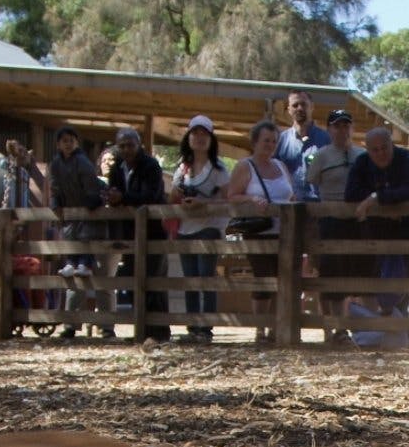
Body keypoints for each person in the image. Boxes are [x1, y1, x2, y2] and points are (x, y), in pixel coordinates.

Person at [348, 123, 409, 347]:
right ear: (367, 149)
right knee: (375, 280)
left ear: (392, 145)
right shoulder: (362, 163)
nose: (381, 153)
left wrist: (377, 199)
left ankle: (403, 329)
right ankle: (383, 331)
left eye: (385, 148)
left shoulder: (408, 160)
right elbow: (351, 193)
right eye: (375, 150)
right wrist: (386, 203)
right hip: (380, 232)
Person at [230, 119, 298, 340]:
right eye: (266, 141)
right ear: (255, 142)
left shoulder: (280, 166)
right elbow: (231, 196)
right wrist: (252, 198)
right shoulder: (245, 166)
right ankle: (260, 328)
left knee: (284, 278)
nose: (270, 145)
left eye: (274, 141)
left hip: (284, 233)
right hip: (258, 232)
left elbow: (290, 194)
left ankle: (277, 327)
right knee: (263, 278)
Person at [104, 125, 169, 338]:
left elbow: (151, 196)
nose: (126, 150)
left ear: (138, 145)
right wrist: (113, 198)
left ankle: (158, 332)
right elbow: (115, 195)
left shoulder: (151, 166)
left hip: (153, 233)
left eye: (130, 145)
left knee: (154, 281)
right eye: (121, 146)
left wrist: (123, 198)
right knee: (134, 281)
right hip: (129, 234)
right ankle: (141, 329)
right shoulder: (117, 169)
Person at [170, 115, 229, 343]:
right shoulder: (182, 167)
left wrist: (205, 204)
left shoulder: (218, 169)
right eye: (195, 133)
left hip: (209, 227)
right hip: (186, 228)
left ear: (211, 138)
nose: (199, 138)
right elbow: (172, 196)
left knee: (206, 276)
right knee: (190, 279)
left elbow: (228, 200)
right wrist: (180, 195)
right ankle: (193, 326)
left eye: (204, 134)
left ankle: (206, 328)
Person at [303, 108, 360, 341]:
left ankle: (359, 325)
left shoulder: (361, 155)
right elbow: (311, 182)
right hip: (330, 220)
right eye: (337, 125)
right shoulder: (322, 156)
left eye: (346, 125)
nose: (342, 130)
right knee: (331, 271)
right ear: (329, 129)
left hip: (357, 221)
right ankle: (336, 327)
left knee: (355, 271)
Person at [45, 125, 108, 337]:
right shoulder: (55, 164)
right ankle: (72, 262)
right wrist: (55, 202)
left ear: (76, 143)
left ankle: (84, 262)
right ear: (58, 144)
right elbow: (54, 185)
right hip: (70, 209)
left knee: (86, 238)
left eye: (71, 140)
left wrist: (91, 202)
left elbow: (90, 183)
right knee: (71, 236)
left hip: (87, 207)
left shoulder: (82, 161)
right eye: (64, 140)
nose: (68, 143)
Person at [276, 90, 328, 190]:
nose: (299, 108)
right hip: (288, 203)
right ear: (289, 110)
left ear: (312, 107)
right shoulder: (280, 141)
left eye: (304, 104)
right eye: (295, 105)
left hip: (318, 203)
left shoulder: (326, 139)